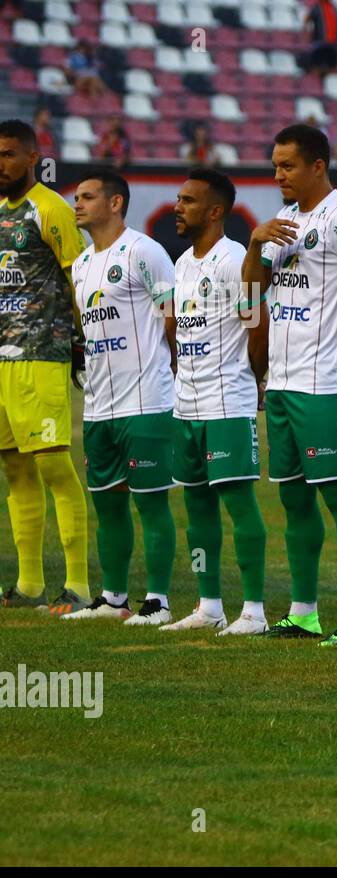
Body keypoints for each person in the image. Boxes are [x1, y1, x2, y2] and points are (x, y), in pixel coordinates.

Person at [241, 124, 337, 646]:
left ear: (317, 166)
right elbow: (253, 290)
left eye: (287, 166)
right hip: (282, 382)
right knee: (294, 500)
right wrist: (254, 243)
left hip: (325, 385)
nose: (278, 175)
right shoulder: (284, 223)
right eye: (275, 166)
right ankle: (303, 611)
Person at [63, 170, 178, 625]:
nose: (78, 203)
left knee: (151, 501)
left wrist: (169, 367)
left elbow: (172, 314)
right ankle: (113, 598)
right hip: (98, 405)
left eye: (88, 197)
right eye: (76, 197)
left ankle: (159, 600)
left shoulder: (145, 251)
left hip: (146, 400)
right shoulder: (80, 264)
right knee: (107, 504)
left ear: (115, 203)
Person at [161, 168, 270, 635]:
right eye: (178, 199)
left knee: (238, 501)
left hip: (227, 398)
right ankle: (209, 606)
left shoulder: (234, 260)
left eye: (187, 200)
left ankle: (255, 612)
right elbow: (171, 321)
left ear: (215, 210)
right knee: (197, 505)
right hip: (186, 401)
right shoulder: (182, 263)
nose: (177, 207)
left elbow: (257, 319)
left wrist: (257, 378)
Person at [0, 119, 89, 615]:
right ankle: (28, 583)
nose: (1, 164)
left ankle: (76, 584)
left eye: (10, 154)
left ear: (33, 158)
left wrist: (83, 343)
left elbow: (80, 280)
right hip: (1, 360)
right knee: (13, 468)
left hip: (42, 354)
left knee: (53, 463)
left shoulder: (50, 209)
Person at [301, 0, 337, 77]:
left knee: (332, 67)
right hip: (319, 43)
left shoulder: (333, 7)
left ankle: (330, 84)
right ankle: (317, 85)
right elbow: (307, 19)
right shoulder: (317, 7)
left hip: (332, 44)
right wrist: (305, 33)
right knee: (317, 66)